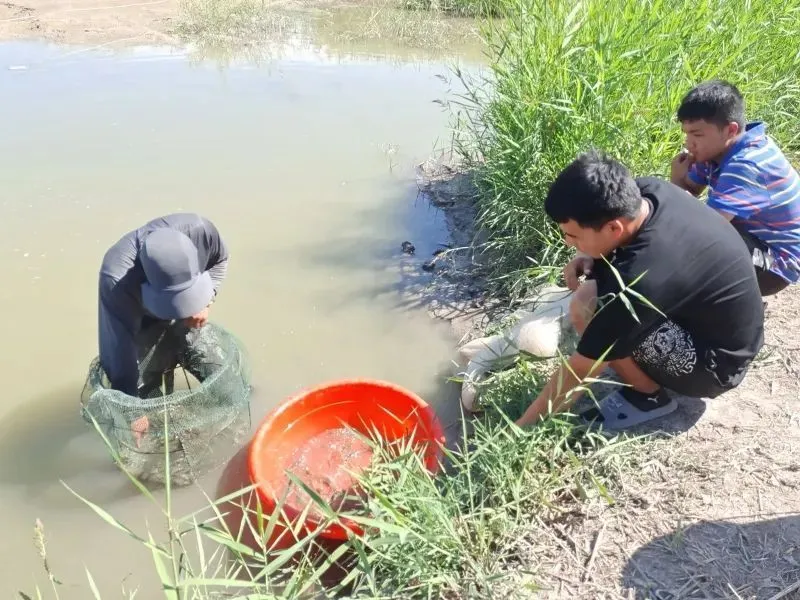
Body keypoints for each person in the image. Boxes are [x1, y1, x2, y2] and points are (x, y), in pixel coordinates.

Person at [514, 150, 764, 430]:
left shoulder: (642, 280)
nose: (568, 243)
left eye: (573, 235)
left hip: (713, 366)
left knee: (593, 313)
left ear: (613, 227)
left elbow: (580, 370)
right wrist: (590, 254)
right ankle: (635, 369)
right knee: (590, 299)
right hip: (724, 326)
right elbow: (625, 248)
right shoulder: (646, 191)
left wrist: (520, 428)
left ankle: (648, 396)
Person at [98, 213, 229, 443]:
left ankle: (229, 401)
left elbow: (220, 259)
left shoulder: (201, 231)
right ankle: (159, 422)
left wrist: (207, 301)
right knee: (149, 380)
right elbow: (118, 351)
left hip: (190, 312)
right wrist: (133, 411)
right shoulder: (115, 280)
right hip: (141, 319)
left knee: (212, 363)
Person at [670, 79, 800, 296]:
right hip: (750, 239)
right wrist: (681, 183)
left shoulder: (747, 164)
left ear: (731, 130)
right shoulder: (717, 150)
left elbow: (704, 228)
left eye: (697, 134)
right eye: (687, 133)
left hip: (775, 266)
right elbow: (691, 189)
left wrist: (675, 183)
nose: (689, 142)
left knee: (693, 250)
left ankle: (732, 308)